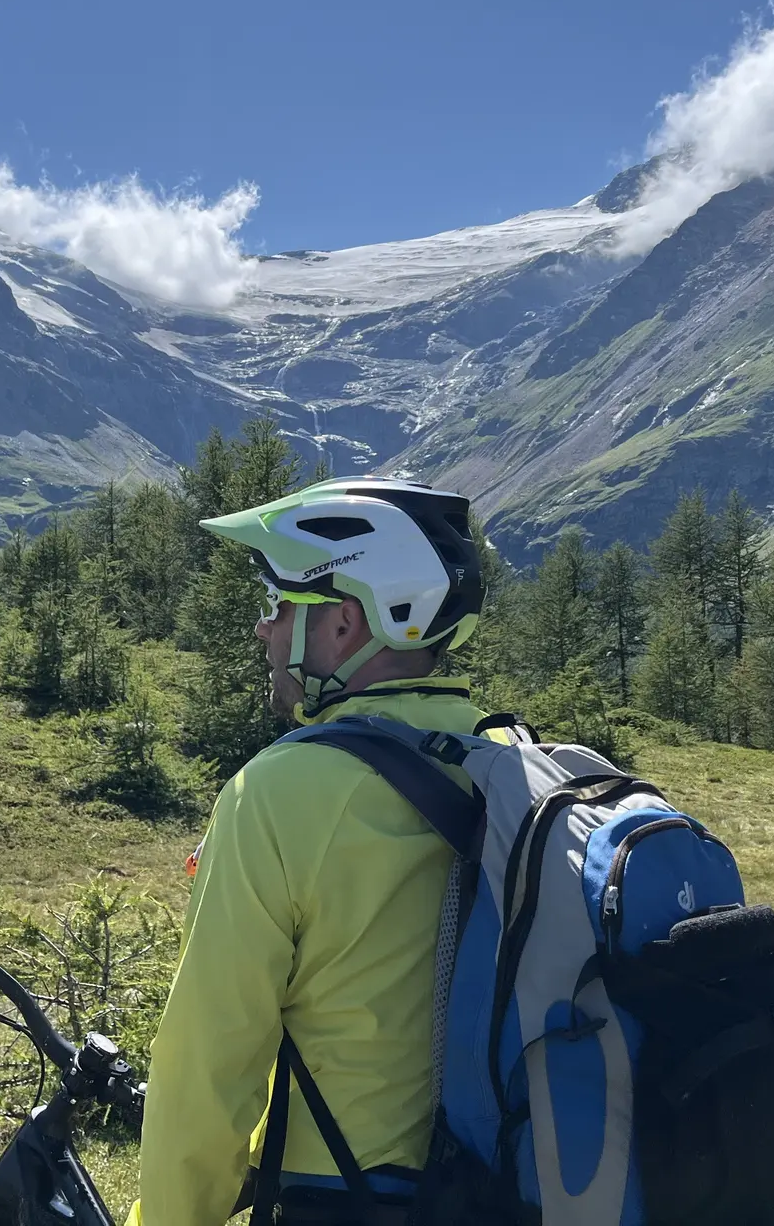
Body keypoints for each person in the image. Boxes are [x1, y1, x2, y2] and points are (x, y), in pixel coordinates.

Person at [127, 477, 490, 1226]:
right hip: (507, 1189)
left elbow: (209, 1067)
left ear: (347, 625)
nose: (263, 631)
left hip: (347, 1201)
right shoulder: (510, 757)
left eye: (279, 605)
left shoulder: (280, 792)